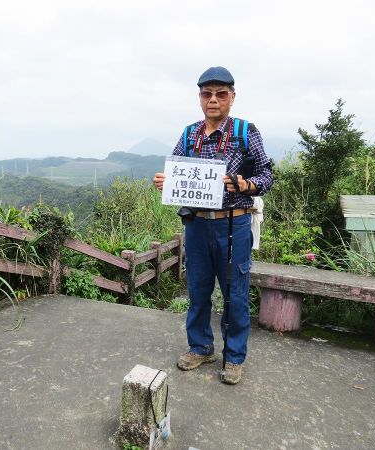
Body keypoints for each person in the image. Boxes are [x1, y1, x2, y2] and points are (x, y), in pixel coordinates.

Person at [153, 66, 273, 384]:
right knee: (198, 289)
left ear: (232, 97)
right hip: (197, 224)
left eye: (221, 93)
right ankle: (201, 346)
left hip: (234, 225)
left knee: (235, 293)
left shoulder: (245, 132)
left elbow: (266, 175)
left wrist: (244, 185)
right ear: (200, 98)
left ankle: (234, 357)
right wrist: (164, 181)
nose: (214, 100)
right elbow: (178, 168)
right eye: (207, 94)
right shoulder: (190, 134)